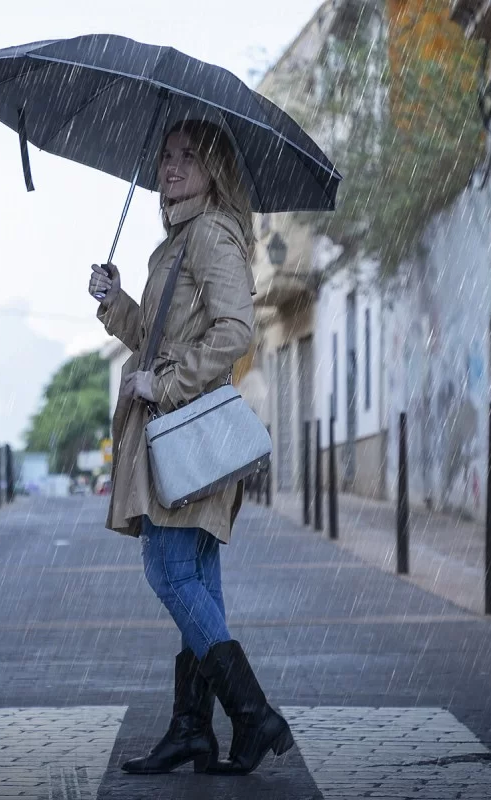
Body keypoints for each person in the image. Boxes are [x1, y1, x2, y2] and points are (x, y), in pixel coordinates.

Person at [89, 119, 293, 776]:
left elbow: (235, 331)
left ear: (214, 170)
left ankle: (253, 715)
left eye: (188, 158)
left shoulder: (209, 235)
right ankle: (192, 729)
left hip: (188, 434)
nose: (171, 167)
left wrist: (167, 383)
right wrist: (114, 300)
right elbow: (156, 337)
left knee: (169, 572)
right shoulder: (177, 242)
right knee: (197, 581)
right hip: (180, 433)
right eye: (166, 156)